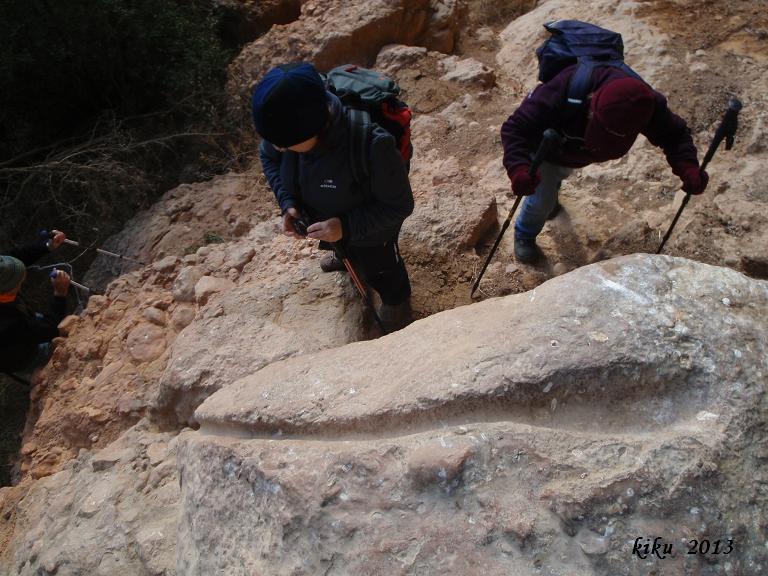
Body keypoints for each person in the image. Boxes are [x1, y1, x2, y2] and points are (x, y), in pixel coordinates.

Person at [252, 62, 414, 330]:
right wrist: (287, 203)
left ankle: (396, 301)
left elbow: (399, 205)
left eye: (284, 144)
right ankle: (345, 256)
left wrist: (346, 227)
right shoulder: (287, 131)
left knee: (382, 266)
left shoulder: (372, 144)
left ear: (312, 129)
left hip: (375, 232)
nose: (278, 147)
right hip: (329, 217)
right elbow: (268, 157)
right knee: (342, 244)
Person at [501, 67, 708, 263]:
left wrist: (687, 167)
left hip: (572, 153)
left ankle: (551, 193)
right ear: (591, 107)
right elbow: (514, 128)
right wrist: (518, 168)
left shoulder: (643, 104)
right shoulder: (564, 88)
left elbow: (675, 135)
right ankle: (525, 233)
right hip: (543, 150)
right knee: (540, 200)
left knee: (559, 175)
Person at [0, 230, 71, 376]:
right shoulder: (9, 323)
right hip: (19, 352)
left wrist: (46, 246)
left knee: (38, 322)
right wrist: (60, 293)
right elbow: (49, 329)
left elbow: (13, 261)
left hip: (22, 322)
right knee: (58, 348)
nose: (23, 279)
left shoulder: (3, 279)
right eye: (20, 280)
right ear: (6, 293)